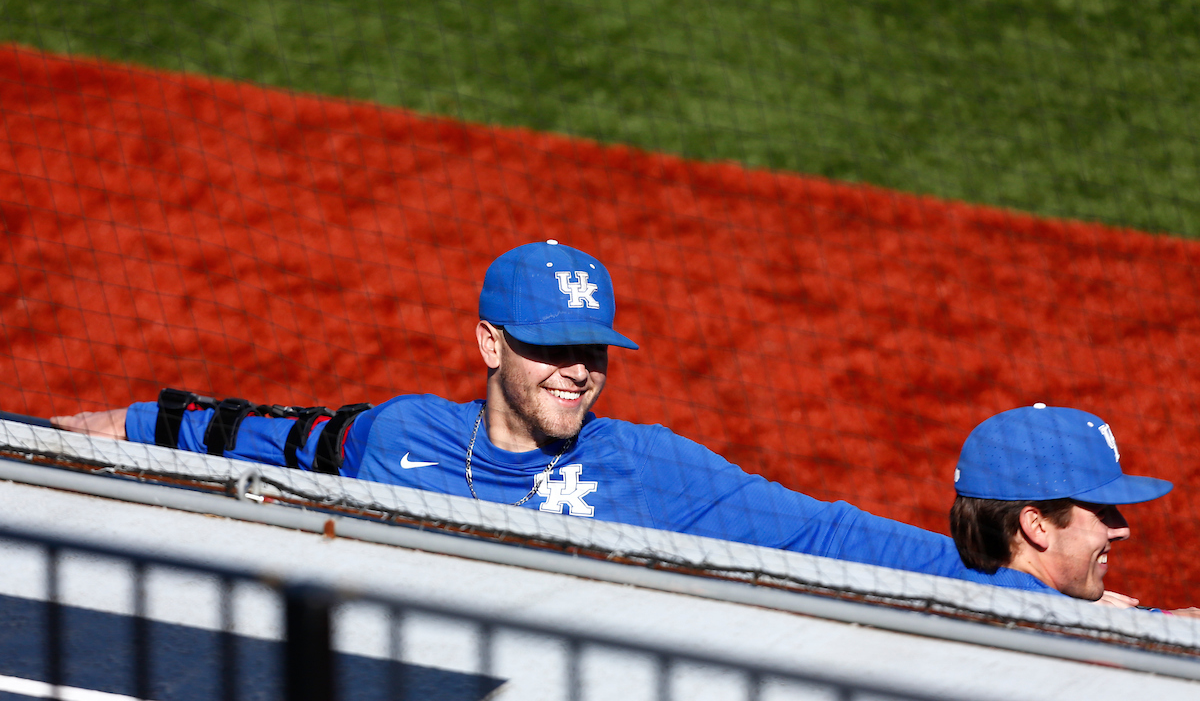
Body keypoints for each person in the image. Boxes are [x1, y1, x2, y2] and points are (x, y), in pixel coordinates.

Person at [53, 241, 1074, 593]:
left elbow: (828, 534)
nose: (576, 372)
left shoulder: (652, 468)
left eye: (591, 352)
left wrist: (1032, 591)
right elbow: (243, 433)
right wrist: (71, 435)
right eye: (549, 349)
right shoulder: (398, 433)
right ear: (490, 344)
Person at [951, 404, 1192, 611]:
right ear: (1036, 525)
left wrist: (1061, 607)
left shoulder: (942, 587)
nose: (1122, 530)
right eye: (1101, 513)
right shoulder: (1070, 649)